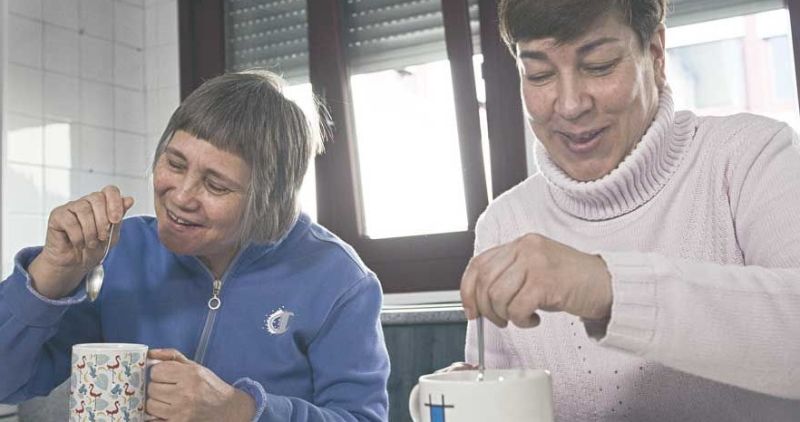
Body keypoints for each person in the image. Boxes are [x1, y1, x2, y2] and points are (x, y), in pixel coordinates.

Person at [458, 0, 800, 420]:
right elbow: (493, 392)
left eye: (599, 66)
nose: (570, 104)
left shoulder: (749, 157)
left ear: (655, 54)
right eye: (539, 74)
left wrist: (605, 285)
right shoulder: (503, 223)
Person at [0, 71, 390, 422]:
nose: (181, 196)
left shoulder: (339, 280)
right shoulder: (122, 251)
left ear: (270, 198)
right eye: (174, 163)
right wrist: (52, 274)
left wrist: (240, 410)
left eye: (216, 185)